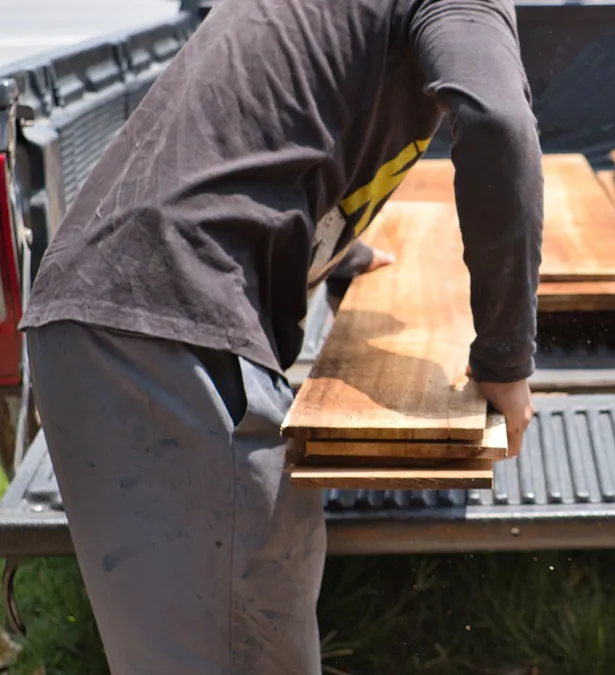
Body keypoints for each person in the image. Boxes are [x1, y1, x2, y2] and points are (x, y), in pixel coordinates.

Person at [16, 0, 544, 671]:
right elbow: (497, 122)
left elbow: (258, 129)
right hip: (160, 330)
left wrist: (334, 246)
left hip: (114, 313)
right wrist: (505, 357)